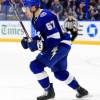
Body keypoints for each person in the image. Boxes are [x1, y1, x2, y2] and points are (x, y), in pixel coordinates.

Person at [21, 0, 88, 100]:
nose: (24, 11)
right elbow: (43, 36)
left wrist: (38, 45)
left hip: (60, 44)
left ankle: (48, 91)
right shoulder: (35, 19)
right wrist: (29, 41)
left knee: (35, 65)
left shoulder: (45, 16)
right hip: (62, 44)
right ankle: (80, 90)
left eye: (25, 8)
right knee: (59, 73)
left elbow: (55, 38)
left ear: (33, 8)